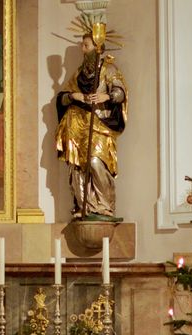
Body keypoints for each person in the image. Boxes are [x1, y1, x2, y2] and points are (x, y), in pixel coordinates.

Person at [55, 32, 127, 220]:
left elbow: (120, 92)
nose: (82, 49)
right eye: (82, 45)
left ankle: (104, 206)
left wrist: (107, 96)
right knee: (77, 166)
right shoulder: (79, 73)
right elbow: (62, 97)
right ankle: (84, 206)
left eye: (86, 45)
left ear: (98, 48)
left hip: (100, 125)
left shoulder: (108, 69)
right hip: (77, 126)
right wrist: (74, 96)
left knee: (95, 162)